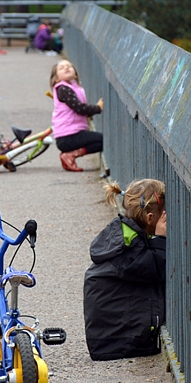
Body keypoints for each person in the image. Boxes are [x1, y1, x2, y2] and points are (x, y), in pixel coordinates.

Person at [83, 179, 167, 361]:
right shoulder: (128, 249)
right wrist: (161, 239)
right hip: (115, 341)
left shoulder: (126, 235)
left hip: (107, 336)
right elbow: (157, 267)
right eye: (164, 215)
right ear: (150, 218)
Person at [49, 59, 103, 171]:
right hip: (67, 137)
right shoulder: (63, 88)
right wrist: (97, 108)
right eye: (61, 67)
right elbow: (79, 108)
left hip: (71, 134)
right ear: (56, 78)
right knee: (103, 140)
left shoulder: (74, 88)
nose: (66, 68)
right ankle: (71, 155)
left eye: (69, 66)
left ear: (75, 73)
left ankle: (70, 154)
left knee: (100, 140)